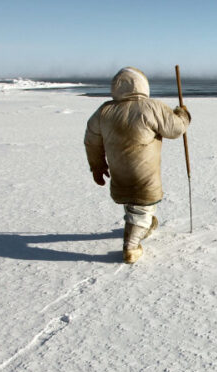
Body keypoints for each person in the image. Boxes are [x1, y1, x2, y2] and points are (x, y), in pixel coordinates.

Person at [84, 67, 191, 263]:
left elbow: (91, 141)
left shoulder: (104, 111)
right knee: (143, 205)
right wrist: (182, 114)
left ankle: (145, 226)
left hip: (118, 170)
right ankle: (131, 247)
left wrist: (97, 166)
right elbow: (175, 129)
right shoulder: (151, 107)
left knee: (131, 199)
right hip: (144, 172)